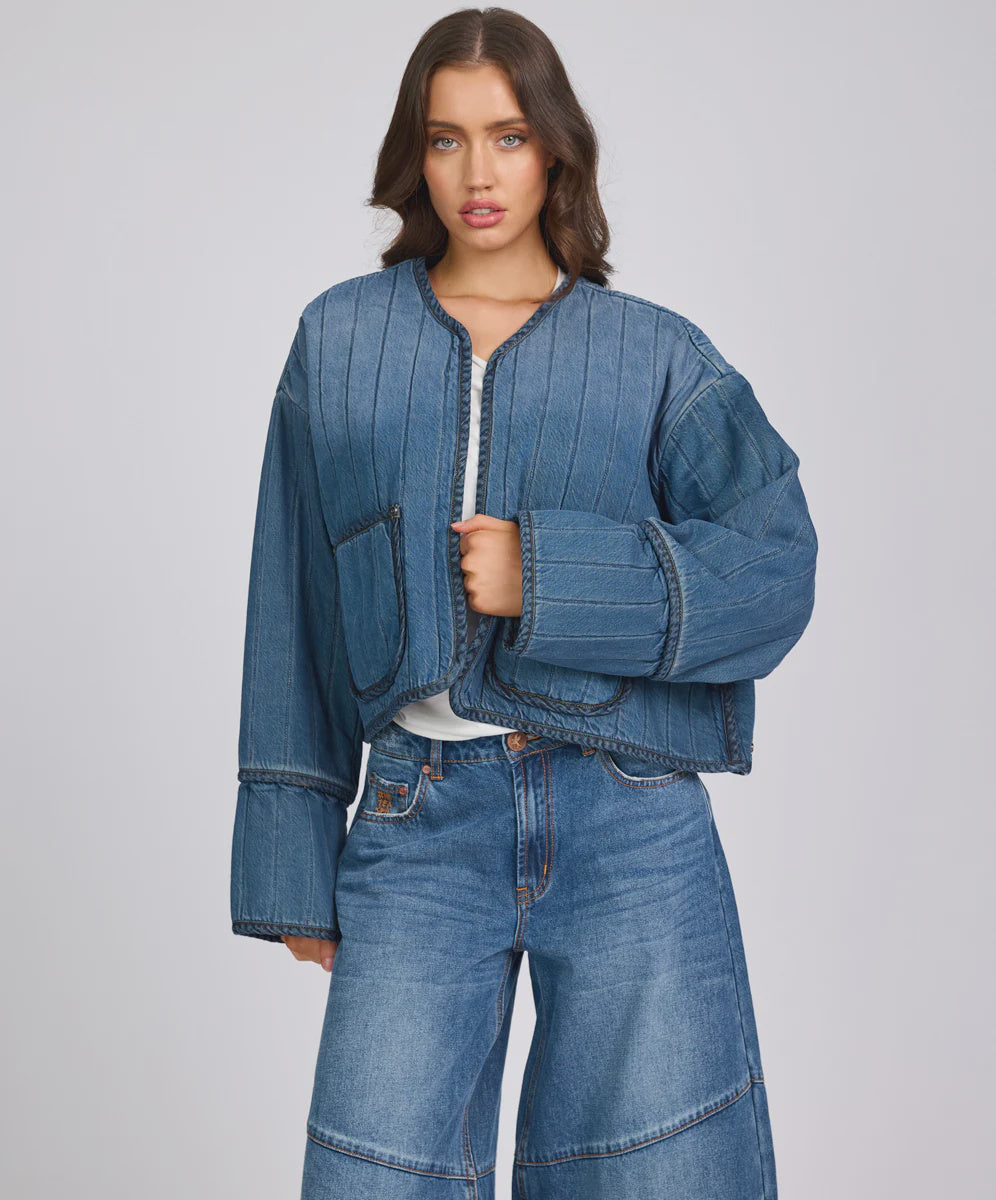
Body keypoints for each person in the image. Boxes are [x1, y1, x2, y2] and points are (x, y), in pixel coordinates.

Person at [230, 9, 817, 1198]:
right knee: (373, 1176)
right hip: (417, 817)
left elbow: (775, 569)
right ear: (416, 156)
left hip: (627, 817)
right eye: (446, 139)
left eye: (507, 136)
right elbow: (292, 601)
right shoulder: (339, 341)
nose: (478, 174)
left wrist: (548, 578)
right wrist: (290, 855)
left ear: (555, 149)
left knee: (658, 1177)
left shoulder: (657, 356)